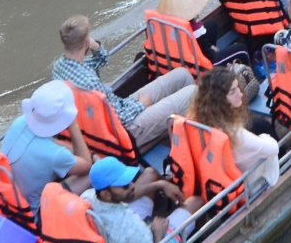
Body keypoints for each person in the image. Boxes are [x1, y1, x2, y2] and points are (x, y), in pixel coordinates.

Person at [52, 15, 195, 150]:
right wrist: (141, 104)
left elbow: (102, 59)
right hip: (126, 129)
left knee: (182, 75)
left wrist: (95, 46)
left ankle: (190, 125)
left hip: (121, 107)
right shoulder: (90, 83)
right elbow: (121, 119)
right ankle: (194, 138)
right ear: (86, 43)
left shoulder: (59, 66)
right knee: (192, 91)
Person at [84, 157, 191, 243]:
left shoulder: (87, 196)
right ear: (106, 194)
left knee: (150, 173)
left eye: (129, 180)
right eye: (125, 185)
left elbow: (128, 195)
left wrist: (161, 184)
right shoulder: (132, 230)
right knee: (195, 202)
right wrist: (158, 234)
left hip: (120, 227)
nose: (133, 185)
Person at [0, 80, 94, 204]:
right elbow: (87, 165)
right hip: (32, 208)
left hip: (8, 193)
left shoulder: (20, 122)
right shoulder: (56, 155)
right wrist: (73, 126)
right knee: (94, 170)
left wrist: (80, 154)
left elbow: (51, 144)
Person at [187, 65, 279, 190]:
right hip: (251, 185)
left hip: (227, 171)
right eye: (232, 92)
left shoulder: (198, 121)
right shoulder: (235, 133)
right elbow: (273, 148)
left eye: (237, 88)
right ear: (219, 100)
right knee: (266, 132)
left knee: (259, 124)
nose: (240, 94)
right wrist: (265, 138)